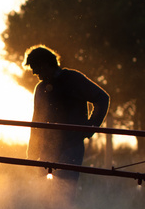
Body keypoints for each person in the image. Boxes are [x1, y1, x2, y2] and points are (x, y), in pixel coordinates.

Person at [23, 45, 109, 197]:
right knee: (42, 195)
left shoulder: (73, 79)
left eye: (36, 67)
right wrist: (31, 155)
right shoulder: (40, 89)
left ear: (45, 64)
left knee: (63, 193)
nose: (35, 72)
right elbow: (36, 123)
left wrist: (90, 127)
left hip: (71, 147)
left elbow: (102, 98)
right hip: (47, 150)